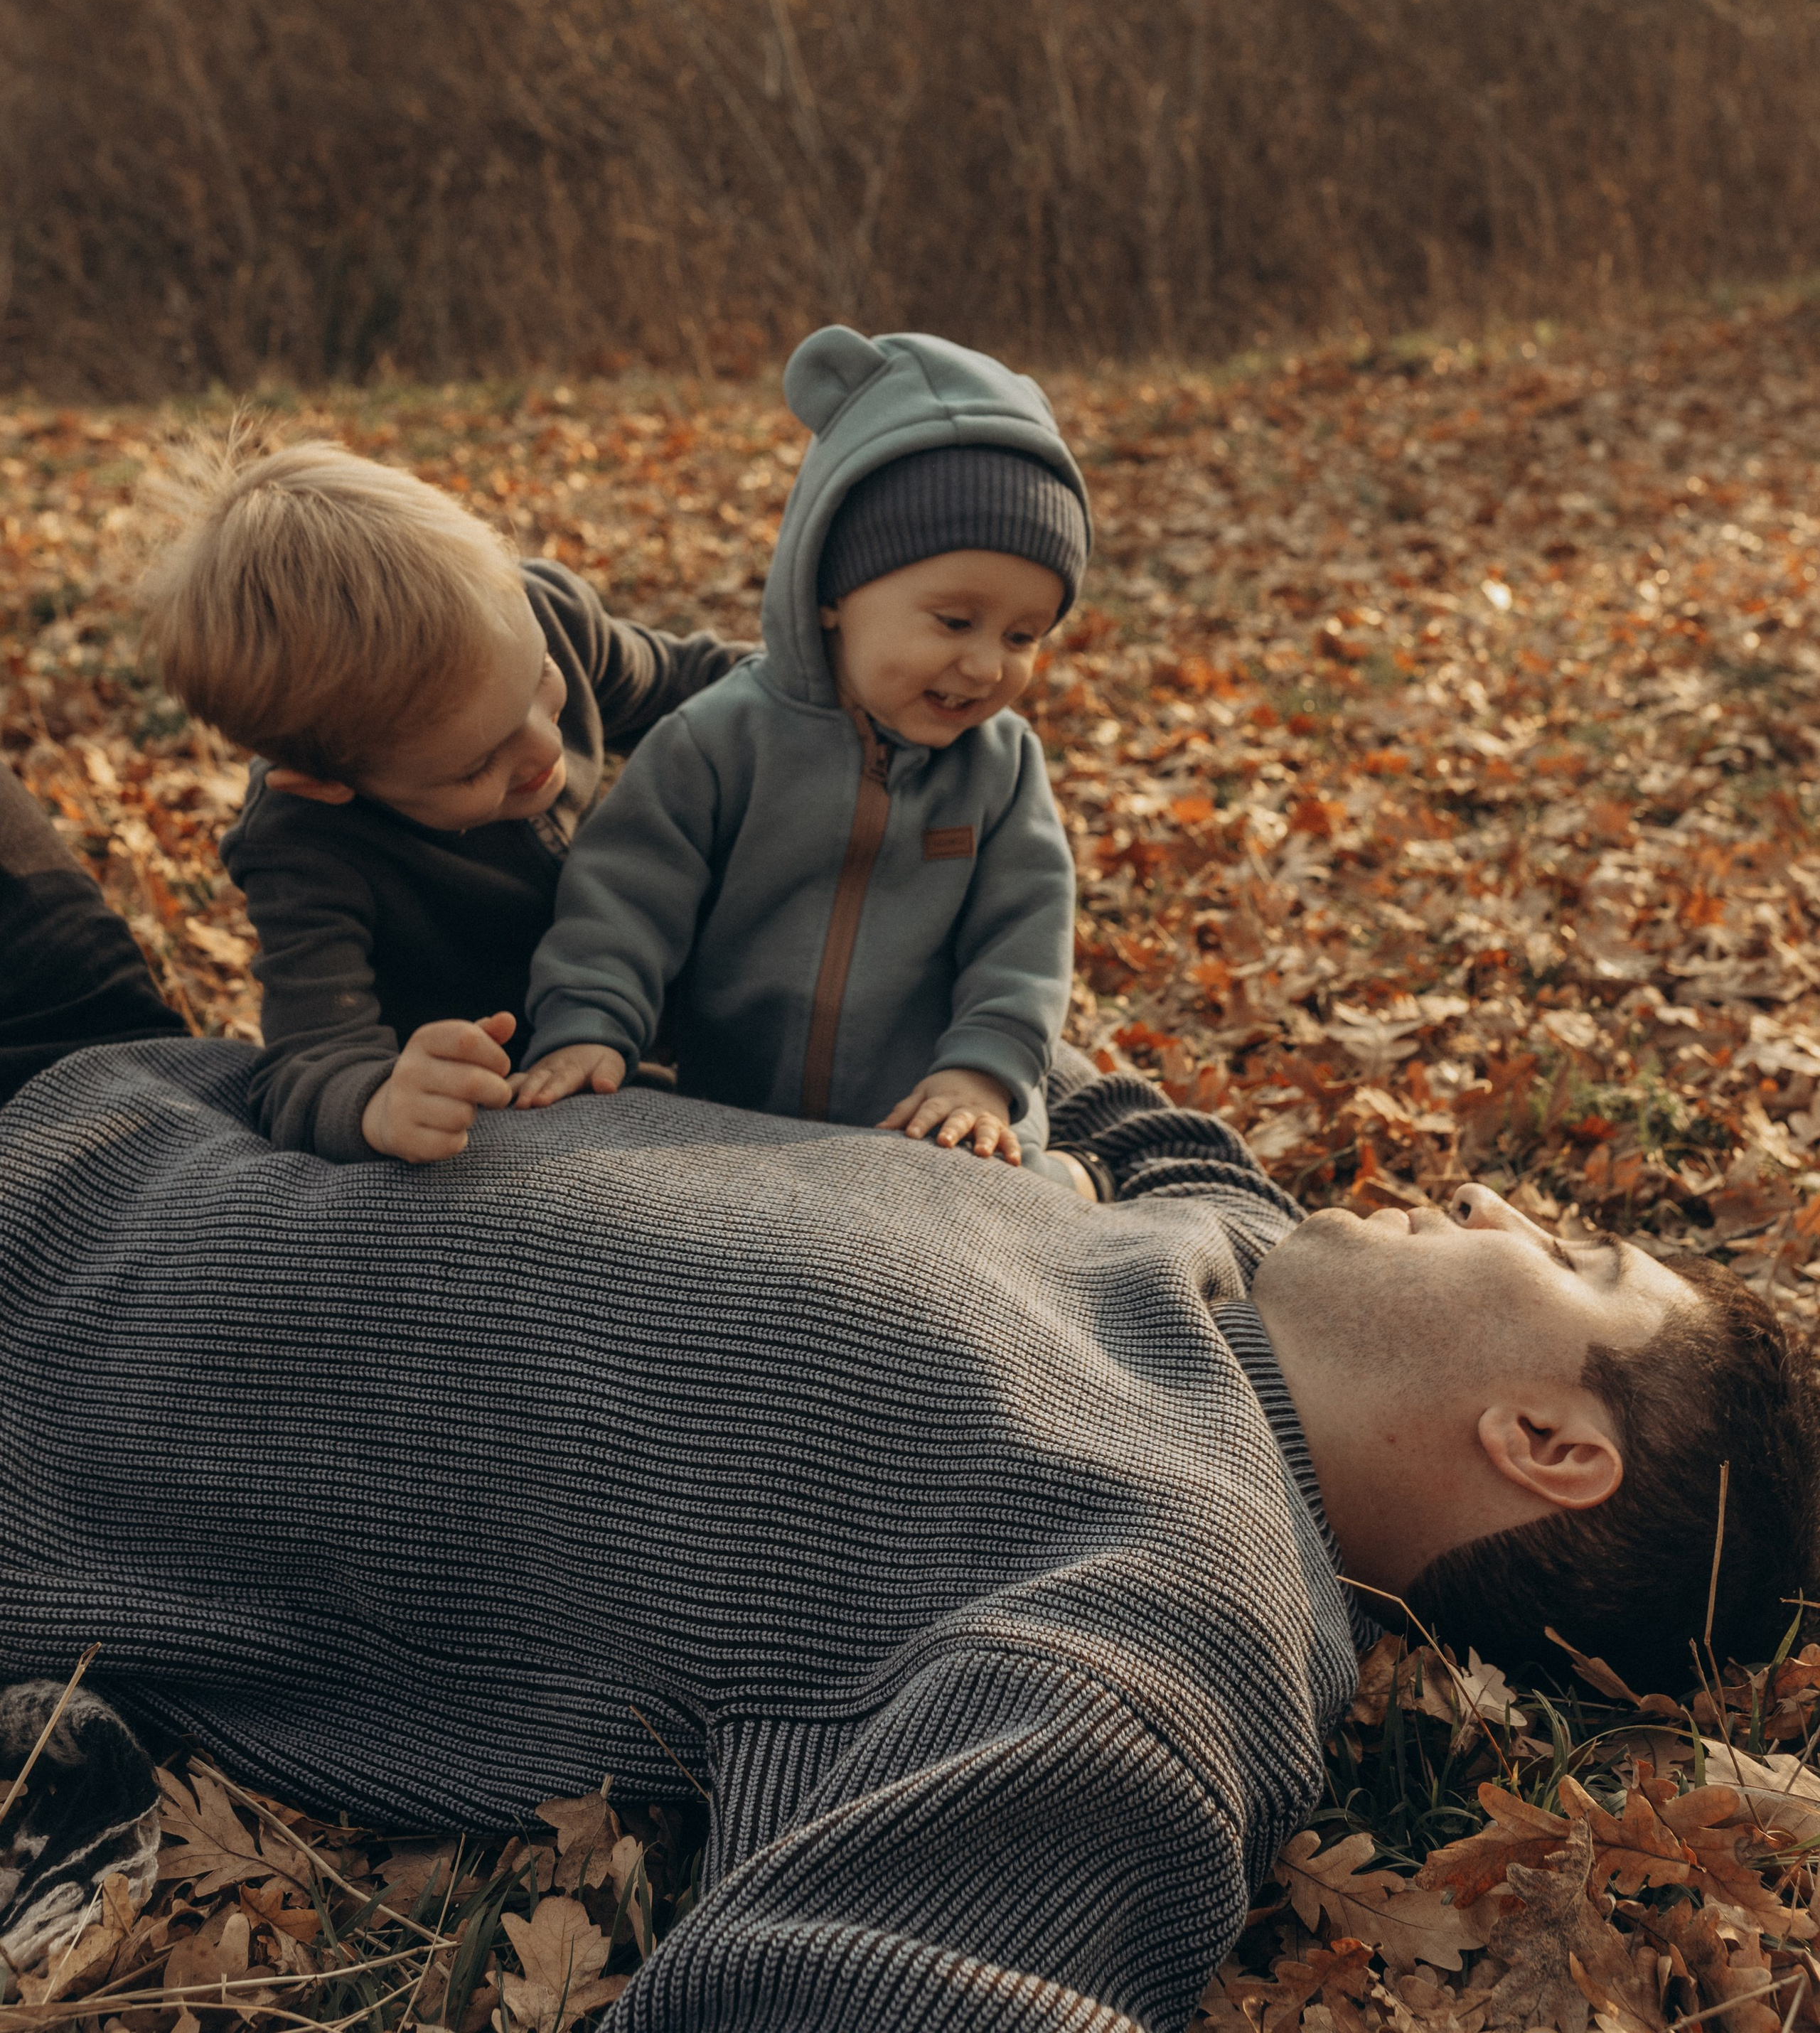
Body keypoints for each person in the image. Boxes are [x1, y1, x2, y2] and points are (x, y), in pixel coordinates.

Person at [0, 759, 1814, 2030]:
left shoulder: (1165, 1611)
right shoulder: (1210, 1235)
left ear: (1547, 1443)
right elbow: (1025, 1014)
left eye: (1572, 1263)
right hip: (117, 1069)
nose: (1500, 1205)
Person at [516, 326, 1093, 1189]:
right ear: (832, 591)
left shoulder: (1000, 770)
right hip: (735, 1118)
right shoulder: (719, 742)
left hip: (934, 1123)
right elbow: (624, 900)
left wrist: (984, 1070)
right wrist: (590, 1026)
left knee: (1030, 1211)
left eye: (1023, 636)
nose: (986, 666)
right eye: (954, 622)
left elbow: (1024, 937)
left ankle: (1087, 1183)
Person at [136, 438, 749, 1162]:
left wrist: (835, 678)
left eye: (541, 681)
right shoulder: (304, 848)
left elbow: (710, 685)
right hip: (531, 1102)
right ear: (332, 784)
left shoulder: (548, 618)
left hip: (664, 989)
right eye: (478, 765)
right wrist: (382, 1103)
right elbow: (308, 1066)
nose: (545, 750)